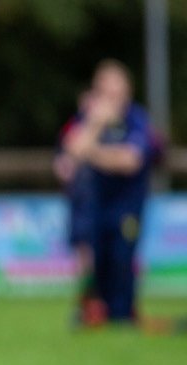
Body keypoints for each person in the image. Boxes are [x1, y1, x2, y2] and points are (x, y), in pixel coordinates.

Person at [61, 60, 156, 325]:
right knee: (97, 260)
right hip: (96, 205)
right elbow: (72, 150)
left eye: (116, 93)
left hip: (127, 207)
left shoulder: (136, 119)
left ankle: (122, 315)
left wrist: (92, 153)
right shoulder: (88, 119)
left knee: (122, 260)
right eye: (105, 93)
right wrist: (95, 125)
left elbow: (130, 161)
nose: (111, 99)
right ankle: (99, 313)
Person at [54, 90, 100, 326]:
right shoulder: (73, 128)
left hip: (102, 203)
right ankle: (86, 304)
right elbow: (62, 162)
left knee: (98, 254)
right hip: (80, 201)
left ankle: (101, 304)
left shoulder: (111, 130)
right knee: (83, 255)